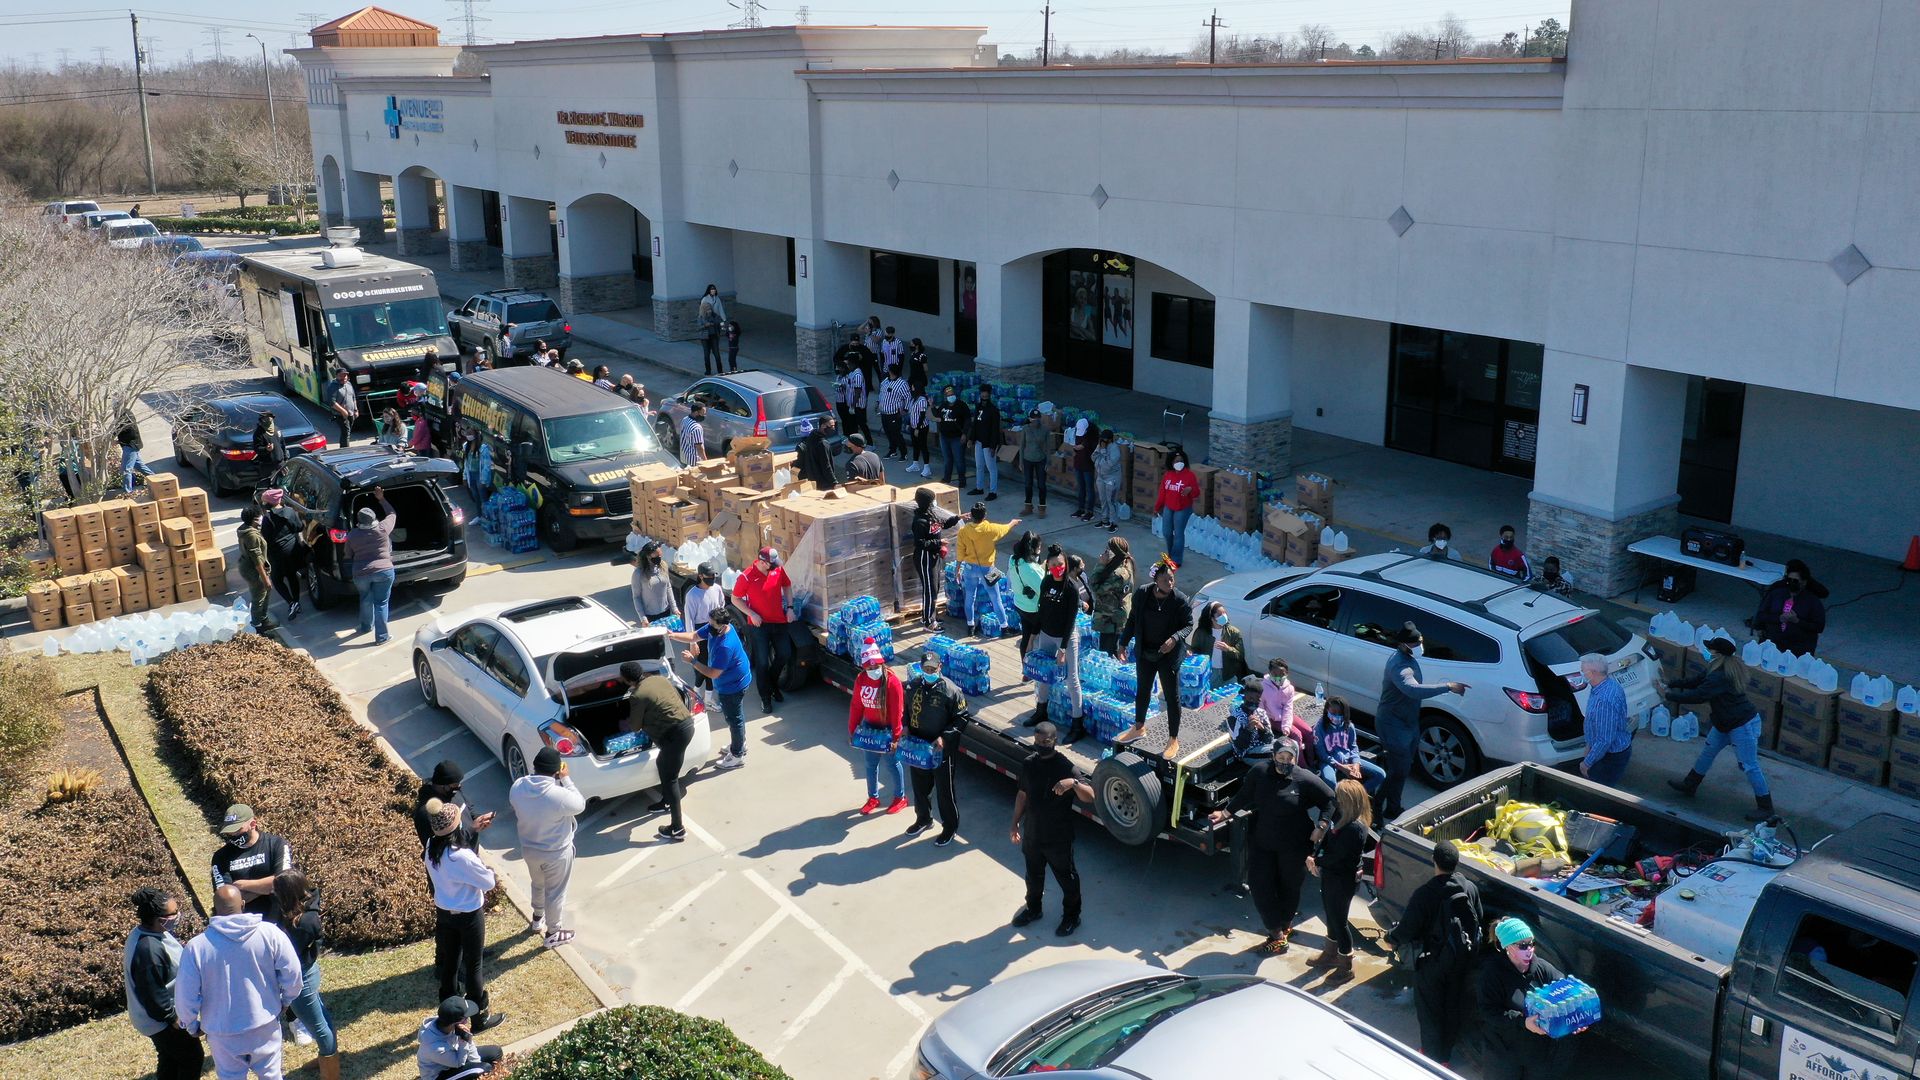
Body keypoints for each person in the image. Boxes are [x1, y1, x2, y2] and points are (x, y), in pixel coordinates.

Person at [1209, 735, 1331, 953]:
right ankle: (1276, 931)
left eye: (1289, 757)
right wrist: (1226, 813)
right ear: (1273, 756)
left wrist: (1321, 826)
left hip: (1294, 846)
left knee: (1289, 887)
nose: (1285, 761)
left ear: (1295, 759)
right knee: (1259, 885)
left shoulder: (1303, 779)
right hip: (1263, 842)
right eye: (1280, 756)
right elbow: (1244, 795)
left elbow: (1330, 801)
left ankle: (1285, 926)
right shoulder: (1259, 772)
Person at [173, 885, 302, 1080]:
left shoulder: (196, 947)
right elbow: (293, 974)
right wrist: (286, 1000)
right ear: (243, 904)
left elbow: (185, 995)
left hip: (222, 1032)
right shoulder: (270, 933)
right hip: (264, 1024)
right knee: (272, 1075)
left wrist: (191, 1025)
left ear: (214, 909)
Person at [1385, 840, 1483, 1067]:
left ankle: (1433, 1059)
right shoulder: (1470, 888)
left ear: (1434, 861)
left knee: (1430, 1010)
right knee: (1452, 1005)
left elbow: (1408, 929)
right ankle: (1447, 1051)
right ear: (1457, 863)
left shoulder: (1425, 894)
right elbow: (1477, 919)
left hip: (1432, 963)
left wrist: (1391, 938)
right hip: (1461, 959)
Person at [1665, 637, 1773, 819]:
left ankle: (1766, 807)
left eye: (1710, 649)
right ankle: (1690, 784)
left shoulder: (1719, 675)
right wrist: (1672, 683)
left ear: (1717, 653)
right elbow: (1695, 682)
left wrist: (1668, 695)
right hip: (1725, 722)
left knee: (1749, 766)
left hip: (1741, 724)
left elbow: (1699, 695)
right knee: (1708, 752)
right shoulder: (1716, 669)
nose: (1706, 652)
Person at [423, 798, 506, 1030]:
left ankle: (450, 1018)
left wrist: (472, 831)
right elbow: (488, 882)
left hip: (444, 914)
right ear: (456, 827)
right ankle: (478, 1017)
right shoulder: (461, 856)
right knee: (473, 966)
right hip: (469, 916)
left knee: (450, 964)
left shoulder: (431, 846)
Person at [1377, 623, 1468, 820]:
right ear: (1403, 645)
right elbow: (1413, 690)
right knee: (1397, 771)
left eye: (1420, 642)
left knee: (1401, 769)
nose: (1420, 646)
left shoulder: (1408, 657)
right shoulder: (1399, 666)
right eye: (1415, 643)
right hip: (1393, 725)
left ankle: (1391, 807)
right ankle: (1376, 806)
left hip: (1409, 723)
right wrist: (1448, 686)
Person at [1011, 721, 1093, 936]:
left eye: (1045, 742)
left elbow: (1090, 795)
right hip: (1033, 835)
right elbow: (1022, 795)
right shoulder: (1029, 763)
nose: (1041, 745)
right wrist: (1015, 823)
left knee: (1067, 879)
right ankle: (1033, 909)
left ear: (1054, 741)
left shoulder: (1066, 767)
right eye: (1037, 741)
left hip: (1058, 838)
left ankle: (1072, 916)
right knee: (1033, 878)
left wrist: (1072, 783)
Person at [1476, 917, 1582, 1080]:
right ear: (1507, 947)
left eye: (1531, 943)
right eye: (1522, 946)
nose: (1529, 950)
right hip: (1502, 1054)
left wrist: (1575, 1019)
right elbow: (1488, 1012)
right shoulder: (1492, 973)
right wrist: (1523, 1022)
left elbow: (1568, 992)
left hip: (1536, 1054)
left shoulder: (1543, 969)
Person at [509, 746, 586, 948]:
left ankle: (537, 919)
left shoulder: (517, 786)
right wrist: (566, 779)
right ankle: (553, 933)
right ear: (556, 770)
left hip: (529, 850)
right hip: (556, 853)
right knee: (556, 892)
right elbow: (580, 804)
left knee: (538, 884)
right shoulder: (558, 795)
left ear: (534, 766)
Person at [1115, 556, 1193, 757]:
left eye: (1171, 579)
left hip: (1168, 655)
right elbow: (1132, 620)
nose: (1170, 583)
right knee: (1143, 689)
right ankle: (1139, 726)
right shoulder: (1142, 594)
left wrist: (1174, 639)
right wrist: (1123, 642)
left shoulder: (1180, 600)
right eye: (1165, 579)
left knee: (1171, 696)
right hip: (1145, 651)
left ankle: (1173, 738)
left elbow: (1188, 625)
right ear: (1155, 580)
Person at [126, 885, 203, 1080]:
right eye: (173, 913)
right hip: (161, 1020)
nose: (178, 915)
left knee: (169, 1058)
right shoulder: (149, 951)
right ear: (159, 919)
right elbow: (153, 995)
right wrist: (174, 1020)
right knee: (191, 1058)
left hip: (158, 1017)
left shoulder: (150, 932)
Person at [619, 662, 698, 841]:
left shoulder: (637, 695)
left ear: (625, 679)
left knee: (670, 778)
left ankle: (677, 828)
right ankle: (666, 802)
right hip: (687, 725)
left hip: (675, 735)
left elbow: (635, 726)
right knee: (663, 765)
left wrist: (627, 722)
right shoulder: (659, 679)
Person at [670, 605, 753, 769]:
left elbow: (714, 673)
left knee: (734, 719)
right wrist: (672, 635)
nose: (709, 626)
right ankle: (739, 743)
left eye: (712, 624)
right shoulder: (716, 627)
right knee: (736, 716)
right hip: (734, 680)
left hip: (733, 686)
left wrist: (693, 661)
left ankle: (737, 755)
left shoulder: (725, 646)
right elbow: (694, 636)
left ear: (722, 625)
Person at [272, 870, 339, 1069]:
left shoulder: (303, 923)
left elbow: (288, 955)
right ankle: (328, 1054)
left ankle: (330, 1065)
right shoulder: (302, 911)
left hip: (302, 977)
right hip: (308, 972)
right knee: (320, 1016)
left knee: (316, 1026)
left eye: (276, 891)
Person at [1307, 778, 1372, 974]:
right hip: (1333, 876)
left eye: (1339, 797)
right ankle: (1330, 952)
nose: (1336, 800)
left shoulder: (1354, 828)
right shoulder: (1342, 816)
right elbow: (1328, 838)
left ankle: (1345, 964)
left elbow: (1338, 857)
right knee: (1331, 914)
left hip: (1343, 879)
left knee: (1339, 920)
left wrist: (1315, 861)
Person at [905, 648, 968, 845]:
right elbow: (906, 710)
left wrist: (944, 738)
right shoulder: (913, 686)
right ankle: (923, 818)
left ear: (940, 667)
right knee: (919, 786)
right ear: (921, 668)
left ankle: (950, 827)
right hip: (918, 746)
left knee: (944, 790)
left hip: (941, 750)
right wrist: (905, 727)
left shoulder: (951, 691)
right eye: (926, 668)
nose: (929, 672)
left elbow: (962, 718)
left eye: (933, 668)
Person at [1031, 545, 1088, 741]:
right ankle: (1041, 710)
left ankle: (1077, 723)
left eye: (1061, 564)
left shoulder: (1071, 588)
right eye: (1053, 564)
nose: (1057, 568)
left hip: (1066, 636)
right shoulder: (1046, 582)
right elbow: (1042, 608)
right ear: (1048, 565)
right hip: (1046, 634)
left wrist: (1063, 648)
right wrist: (1033, 634)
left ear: (1065, 564)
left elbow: (1072, 619)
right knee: (1043, 675)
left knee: (1072, 680)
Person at [732, 547, 796, 713]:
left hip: (779, 621)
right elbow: (735, 599)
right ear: (762, 562)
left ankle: (773, 685)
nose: (775, 566)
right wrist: (751, 614)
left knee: (784, 654)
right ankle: (765, 697)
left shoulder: (777, 570)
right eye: (771, 564)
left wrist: (790, 607)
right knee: (761, 662)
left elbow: (787, 586)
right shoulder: (747, 576)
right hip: (758, 625)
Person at [848, 639, 908, 815]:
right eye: (869, 668)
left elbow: (898, 713)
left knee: (892, 763)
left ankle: (900, 797)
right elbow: (856, 706)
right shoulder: (861, 679)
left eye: (876, 668)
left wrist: (896, 737)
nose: (873, 671)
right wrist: (852, 731)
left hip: (888, 729)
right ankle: (872, 798)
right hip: (869, 727)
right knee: (870, 764)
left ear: (881, 664)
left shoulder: (892, 682)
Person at [210, 805, 292, 920]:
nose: (233, 835)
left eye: (237, 830)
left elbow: (285, 883)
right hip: (242, 924)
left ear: (253, 824)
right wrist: (268, 888)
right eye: (230, 832)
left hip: (278, 919)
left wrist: (242, 885)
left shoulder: (276, 844)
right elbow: (226, 898)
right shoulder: (221, 857)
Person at [955, 503, 1019, 634]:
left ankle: (970, 625)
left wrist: (957, 568)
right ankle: (1004, 627)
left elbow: (960, 551)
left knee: (970, 596)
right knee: (995, 598)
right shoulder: (990, 529)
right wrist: (1013, 522)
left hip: (969, 568)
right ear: (984, 516)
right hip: (987, 569)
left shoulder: (963, 531)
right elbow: (1005, 528)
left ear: (971, 516)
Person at [345, 486, 397, 644]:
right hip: (384, 571)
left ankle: (366, 627)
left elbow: (348, 554)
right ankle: (382, 637)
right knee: (381, 603)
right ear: (374, 518)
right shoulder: (382, 528)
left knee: (365, 599)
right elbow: (392, 513)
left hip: (361, 573)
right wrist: (381, 498)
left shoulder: (352, 535)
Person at [412, 760, 496, 853]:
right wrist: (472, 829)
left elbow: (468, 809)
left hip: (471, 853)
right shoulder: (426, 814)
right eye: (455, 785)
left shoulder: (454, 792)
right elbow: (443, 849)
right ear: (443, 786)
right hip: (456, 863)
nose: (459, 786)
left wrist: (480, 819)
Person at [1578, 653, 1634, 786]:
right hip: (1611, 750)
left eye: (1583, 670)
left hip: (1610, 758)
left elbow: (1604, 739)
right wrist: (1589, 745)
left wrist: (1586, 763)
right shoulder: (1608, 685)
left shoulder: (1604, 701)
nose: (1581, 673)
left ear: (1592, 673)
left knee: (1598, 795)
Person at [1753, 559, 1827, 656]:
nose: (1791, 583)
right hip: (1772, 642)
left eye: (1795, 581)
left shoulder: (1812, 601)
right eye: (1789, 580)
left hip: (1798, 647)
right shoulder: (1776, 594)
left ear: (1804, 582)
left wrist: (1797, 621)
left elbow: (1818, 627)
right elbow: (1761, 615)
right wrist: (1778, 618)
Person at [910, 487, 960, 631]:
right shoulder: (919, 521)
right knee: (930, 589)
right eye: (932, 501)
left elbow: (943, 524)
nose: (934, 503)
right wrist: (939, 543)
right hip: (924, 558)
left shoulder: (931, 515)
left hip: (934, 556)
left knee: (935, 587)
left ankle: (929, 615)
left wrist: (958, 518)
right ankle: (928, 622)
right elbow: (919, 543)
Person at [418, 996, 503, 1080]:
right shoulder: (434, 1047)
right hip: (440, 1075)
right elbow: (459, 1062)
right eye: (465, 1018)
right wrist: (464, 1042)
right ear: (454, 1023)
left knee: (496, 1052)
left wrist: (476, 1062)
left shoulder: (446, 1022)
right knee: (484, 1068)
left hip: (455, 1057)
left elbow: (469, 1047)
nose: (467, 1021)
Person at [1316, 696, 1385, 794]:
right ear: (1327, 710)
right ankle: (1341, 803)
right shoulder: (1320, 727)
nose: (1336, 716)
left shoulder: (1349, 726)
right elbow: (1322, 754)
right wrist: (1341, 767)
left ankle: (1358, 795)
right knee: (1330, 781)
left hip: (1348, 758)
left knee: (1380, 774)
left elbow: (1353, 747)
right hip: (1330, 762)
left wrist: (1356, 764)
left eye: (1339, 714)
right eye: (1333, 713)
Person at [1259, 657, 1314, 767]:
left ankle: (1312, 761)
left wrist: (1286, 725)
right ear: (1269, 673)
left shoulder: (1289, 688)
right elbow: (1260, 709)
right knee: (1297, 735)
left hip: (1286, 716)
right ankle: (1302, 766)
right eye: (1275, 674)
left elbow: (1288, 708)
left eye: (1282, 674)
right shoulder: (1263, 687)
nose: (1278, 677)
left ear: (1287, 673)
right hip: (1272, 718)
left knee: (1309, 732)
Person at [1151, 447, 1200, 567]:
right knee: (1167, 532)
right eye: (1176, 461)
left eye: (1181, 460)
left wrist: (1190, 490)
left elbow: (1197, 492)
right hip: (1169, 507)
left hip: (1183, 508)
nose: (1179, 463)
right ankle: (1171, 554)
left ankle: (1176, 559)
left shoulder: (1190, 475)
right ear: (1171, 463)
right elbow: (1162, 493)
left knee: (1178, 533)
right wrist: (1157, 507)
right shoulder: (1168, 475)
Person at [1089, 537, 1133, 655]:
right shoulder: (1123, 563)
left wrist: (1100, 565)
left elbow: (1095, 587)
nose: (1105, 553)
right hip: (1111, 616)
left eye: (1108, 551)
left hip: (1112, 619)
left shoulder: (1118, 574)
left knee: (1108, 653)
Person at [236, 508, 278, 634]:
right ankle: (257, 627)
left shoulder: (246, 529)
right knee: (258, 597)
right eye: (259, 517)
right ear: (254, 520)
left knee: (265, 593)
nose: (261, 518)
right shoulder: (251, 535)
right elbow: (257, 559)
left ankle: (263, 619)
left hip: (249, 566)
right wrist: (265, 578)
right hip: (254, 570)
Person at [1189, 599, 1248, 687]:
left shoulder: (1234, 632)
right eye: (1219, 614)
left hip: (1228, 675)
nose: (1224, 616)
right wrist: (1191, 653)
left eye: (1224, 613)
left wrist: (1228, 649)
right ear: (1212, 618)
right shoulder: (1201, 632)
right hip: (1209, 673)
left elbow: (1240, 655)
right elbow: (1195, 650)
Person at [1009, 531, 1045, 656]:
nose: (1040, 549)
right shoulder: (1031, 569)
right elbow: (1043, 590)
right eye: (1039, 547)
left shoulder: (1013, 560)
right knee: (1042, 641)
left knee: (1026, 636)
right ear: (1033, 548)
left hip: (1020, 604)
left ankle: (1026, 668)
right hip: (1034, 609)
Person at [966, 384, 1004, 501]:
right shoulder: (978, 407)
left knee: (991, 468)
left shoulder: (993, 410)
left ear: (989, 394)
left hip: (988, 443)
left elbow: (995, 429)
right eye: (982, 392)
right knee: (979, 466)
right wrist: (971, 439)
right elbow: (975, 425)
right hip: (978, 441)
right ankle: (979, 487)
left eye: (986, 392)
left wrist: (993, 446)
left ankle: (993, 491)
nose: (984, 394)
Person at [629, 539, 678, 627]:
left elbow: (668, 587)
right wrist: (643, 618)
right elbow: (636, 597)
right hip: (650, 616)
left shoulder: (663, 566)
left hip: (666, 612)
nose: (659, 558)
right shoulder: (638, 573)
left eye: (660, 555)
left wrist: (674, 608)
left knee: (667, 638)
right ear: (648, 556)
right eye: (657, 555)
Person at [934, 384, 971, 487]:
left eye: (952, 393)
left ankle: (962, 481)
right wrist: (932, 406)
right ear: (945, 396)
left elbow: (968, 420)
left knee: (959, 460)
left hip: (957, 437)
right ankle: (947, 478)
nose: (951, 396)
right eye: (948, 394)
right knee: (947, 459)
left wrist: (964, 433)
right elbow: (937, 415)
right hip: (944, 437)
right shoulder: (943, 405)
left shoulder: (962, 405)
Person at [1017, 408, 1051, 516]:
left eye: (1037, 419)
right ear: (1030, 419)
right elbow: (1022, 446)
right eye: (1033, 419)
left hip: (1041, 460)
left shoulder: (1045, 430)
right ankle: (1028, 506)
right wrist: (1020, 462)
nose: (1035, 421)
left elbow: (1048, 447)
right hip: (1028, 460)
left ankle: (1042, 507)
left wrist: (1048, 462)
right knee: (1028, 484)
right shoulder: (1025, 429)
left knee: (1041, 485)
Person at [1091, 428, 1124, 531]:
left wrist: (1104, 452)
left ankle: (1114, 523)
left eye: (1105, 439)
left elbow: (1109, 464)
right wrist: (1099, 451)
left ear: (1110, 439)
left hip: (1111, 478)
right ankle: (1104, 520)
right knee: (1103, 499)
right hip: (1101, 477)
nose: (1103, 441)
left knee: (1111, 501)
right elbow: (1093, 457)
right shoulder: (1100, 445)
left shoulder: (1115, 449)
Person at [794, 416, 838, 491]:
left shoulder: (811, 438)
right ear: (823, 426)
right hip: (824, 484)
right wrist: (834, 482)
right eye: (831, 426)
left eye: (834, 425)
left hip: (813, 481)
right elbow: (826, 465)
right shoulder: (823, 443)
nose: (833, 428)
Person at [878, 363, 910, 459]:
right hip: (884, 413)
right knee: (888, 432)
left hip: (894, 414)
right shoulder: (885, 382)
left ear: (891, 371)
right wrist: (878, 403)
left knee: (896, 434)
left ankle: (904, 453)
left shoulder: (902, 384)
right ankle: (893, 450)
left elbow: (907, 397)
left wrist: (905, 409)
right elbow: (881, 394)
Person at [835, 356, 869, 442]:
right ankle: (852, 439)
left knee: (861, 425)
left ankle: (869, 442)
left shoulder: (857, 375)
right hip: (851, 404)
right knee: (852, 423)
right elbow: (849, 388)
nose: (848, 366)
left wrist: (853, 406)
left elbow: (857, 391)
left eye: (848, 364)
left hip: (857, 405)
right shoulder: (851, 373)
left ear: (853, 364)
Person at [118, 411, 152, 493]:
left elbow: (127, 430)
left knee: (126, 469)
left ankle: (127, 492)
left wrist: (118, 440)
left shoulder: (125, 414)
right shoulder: (123, 413)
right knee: (139, 465)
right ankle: (156, 480)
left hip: (130, 446)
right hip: (131, 445)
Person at [1070, 419, 1097, 520]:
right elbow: (1076, 445)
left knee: (1089, 489)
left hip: (1088, 465)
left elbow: (1090, 447)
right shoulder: (1078, 433)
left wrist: (1082, 446)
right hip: (1079, 463)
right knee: (1081, 488)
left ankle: (1090, 511)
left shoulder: (1093, 435)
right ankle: (1080, 509)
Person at [905, 381, 932, 476]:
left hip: (921, 428)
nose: (911, 389)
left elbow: (922, 415)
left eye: (912, 387)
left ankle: (927, 468)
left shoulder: (922, 400)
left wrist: (917, 428)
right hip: (913, 427)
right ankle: (915, 464)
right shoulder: (913, 399)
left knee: (923, 446)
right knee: (915, 446)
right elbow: (911, 413)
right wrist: (908, 423)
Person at [326, 369, 358, 448]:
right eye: (341, 375)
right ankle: (346, 451)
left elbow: (353, 397)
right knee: (346, 432)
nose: (343, 377)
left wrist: (356, 410)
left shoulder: (349, 384)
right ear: (336, 376)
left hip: (351, 413)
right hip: (340, 415)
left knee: (346, 432)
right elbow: (332, 403)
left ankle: (342, 449)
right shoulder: (333, 387)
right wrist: (343, 411)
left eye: (345, 375)